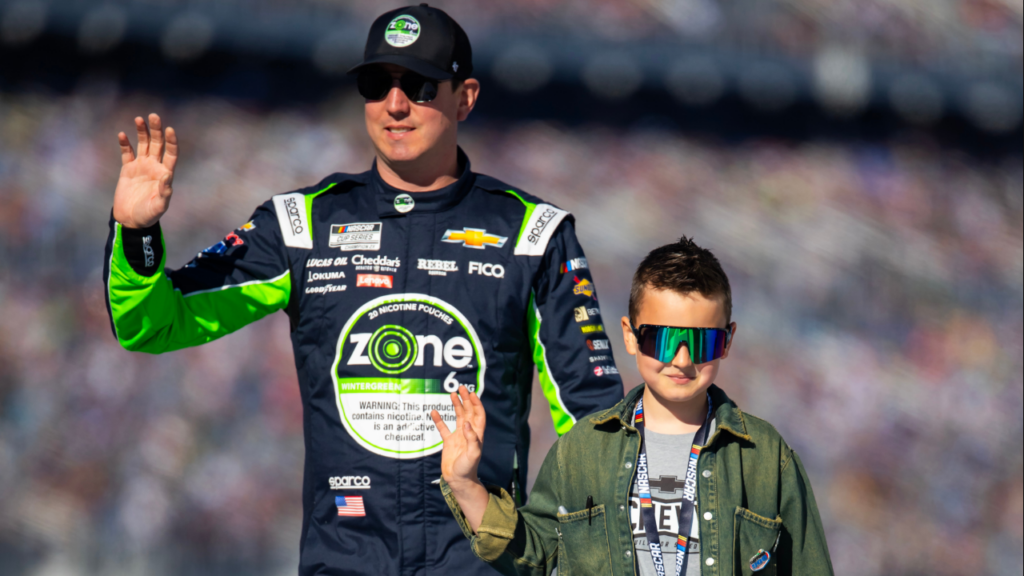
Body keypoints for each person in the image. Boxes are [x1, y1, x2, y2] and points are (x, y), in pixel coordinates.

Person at [103, 5, 623, 575]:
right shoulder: (301, 224)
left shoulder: (533, 233)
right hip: (343, 562)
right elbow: (154, 324)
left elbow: (590, 417)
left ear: (465, 98)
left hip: (481, 563)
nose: (395, 105)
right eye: (377, 85)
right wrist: (136, 234)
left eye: (420, 86)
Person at [434, 237, 835, 575]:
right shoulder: (582, 449)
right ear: (629, 336)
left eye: (702, 342)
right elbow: (530, 557)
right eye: (661, 339)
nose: (681, 360)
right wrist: (465, 485)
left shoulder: (766, 455)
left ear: (727, 341)